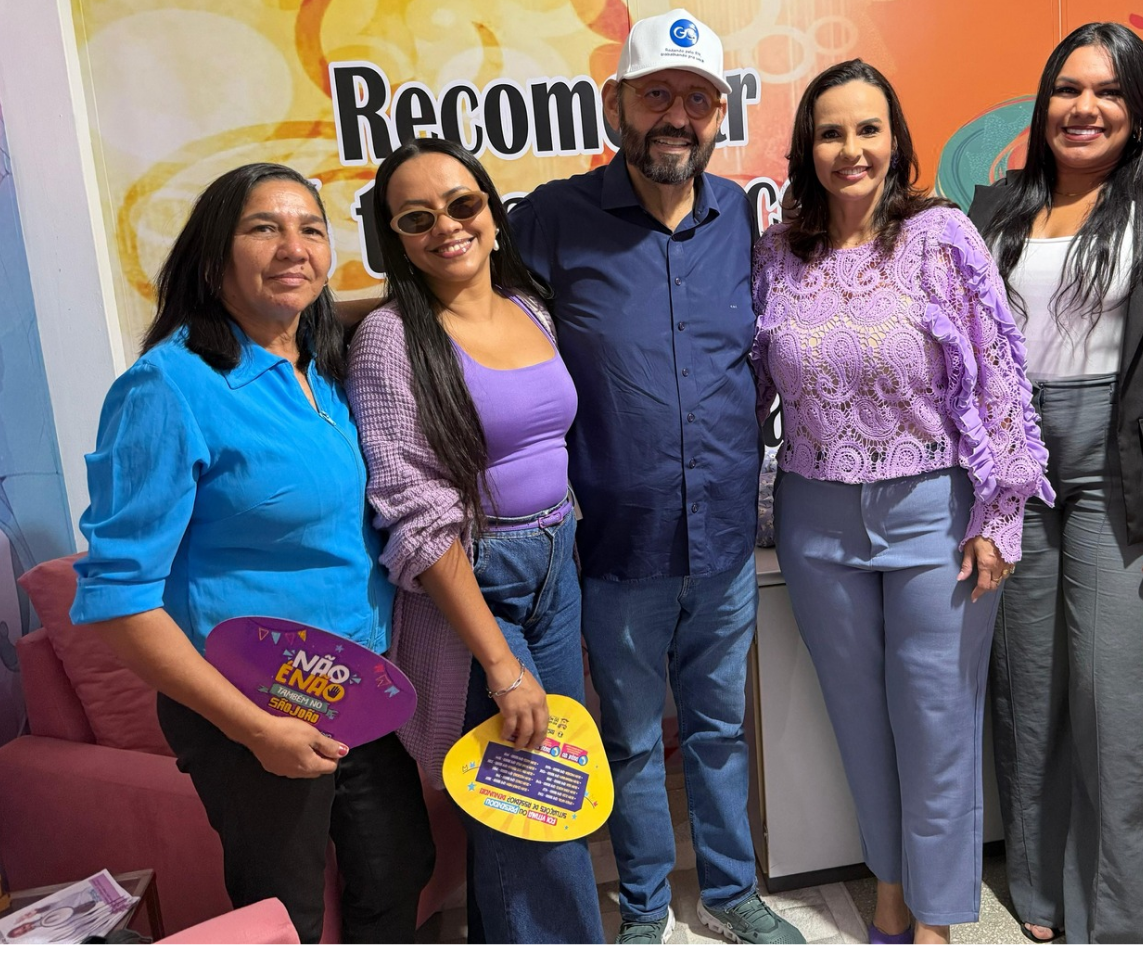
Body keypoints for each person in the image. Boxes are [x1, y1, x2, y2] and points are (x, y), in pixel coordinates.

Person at [70, 163, 435, 943]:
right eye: (263, 228)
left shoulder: (324, 370)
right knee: (283, 915)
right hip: (250, 704)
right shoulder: (168, 388)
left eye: (310, 228)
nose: (292, 247)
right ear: (212, 258)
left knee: (398, 870)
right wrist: (253, 730)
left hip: (355, 687)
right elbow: (116, 600)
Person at [507, 8, 804, 945]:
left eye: (698, 99)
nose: (677, 116)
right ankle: (643, 904)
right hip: (613, 543)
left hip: (721, 535)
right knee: (632, 738)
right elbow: (481, 335)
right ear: (616, 107)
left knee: (718, 731)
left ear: (720, 116)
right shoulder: (553, 219)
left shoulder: (743, 223)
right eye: (657, 95)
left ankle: (730, 892)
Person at [753, 59, 1052, 945]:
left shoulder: (942, 237)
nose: (851, 149)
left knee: (934, 719)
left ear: (896, 139)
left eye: (868, 129)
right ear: (808, 146)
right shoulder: (778, 252)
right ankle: (889, 883)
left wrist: (1000, 515)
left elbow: (1000, 380)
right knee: (858, 719)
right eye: (832, 131)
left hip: (933, 510)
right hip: (814, 515)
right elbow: (753, 386)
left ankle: (939, 914)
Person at [968, 22, 1143, 944]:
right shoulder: (996, 206)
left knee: (1120, 696)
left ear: (1138, 110)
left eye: (1109, 91)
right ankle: (1042, 894)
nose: (1085, 107)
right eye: (1068, 88)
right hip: (1015, 468)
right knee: (1028, 688)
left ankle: (1126, 915)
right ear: (1044, 101)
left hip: (1125, 467)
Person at [345, 138, 605, 944]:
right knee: (537, 810)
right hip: (474, 583)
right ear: (395, 239)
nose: (447, 228)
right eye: (416, 219)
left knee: (540, 789)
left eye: (463, 205)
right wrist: (499, 663)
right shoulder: (389, 341)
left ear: (492, 212)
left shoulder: (531, 306)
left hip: (556, 565)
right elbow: (414, 518)